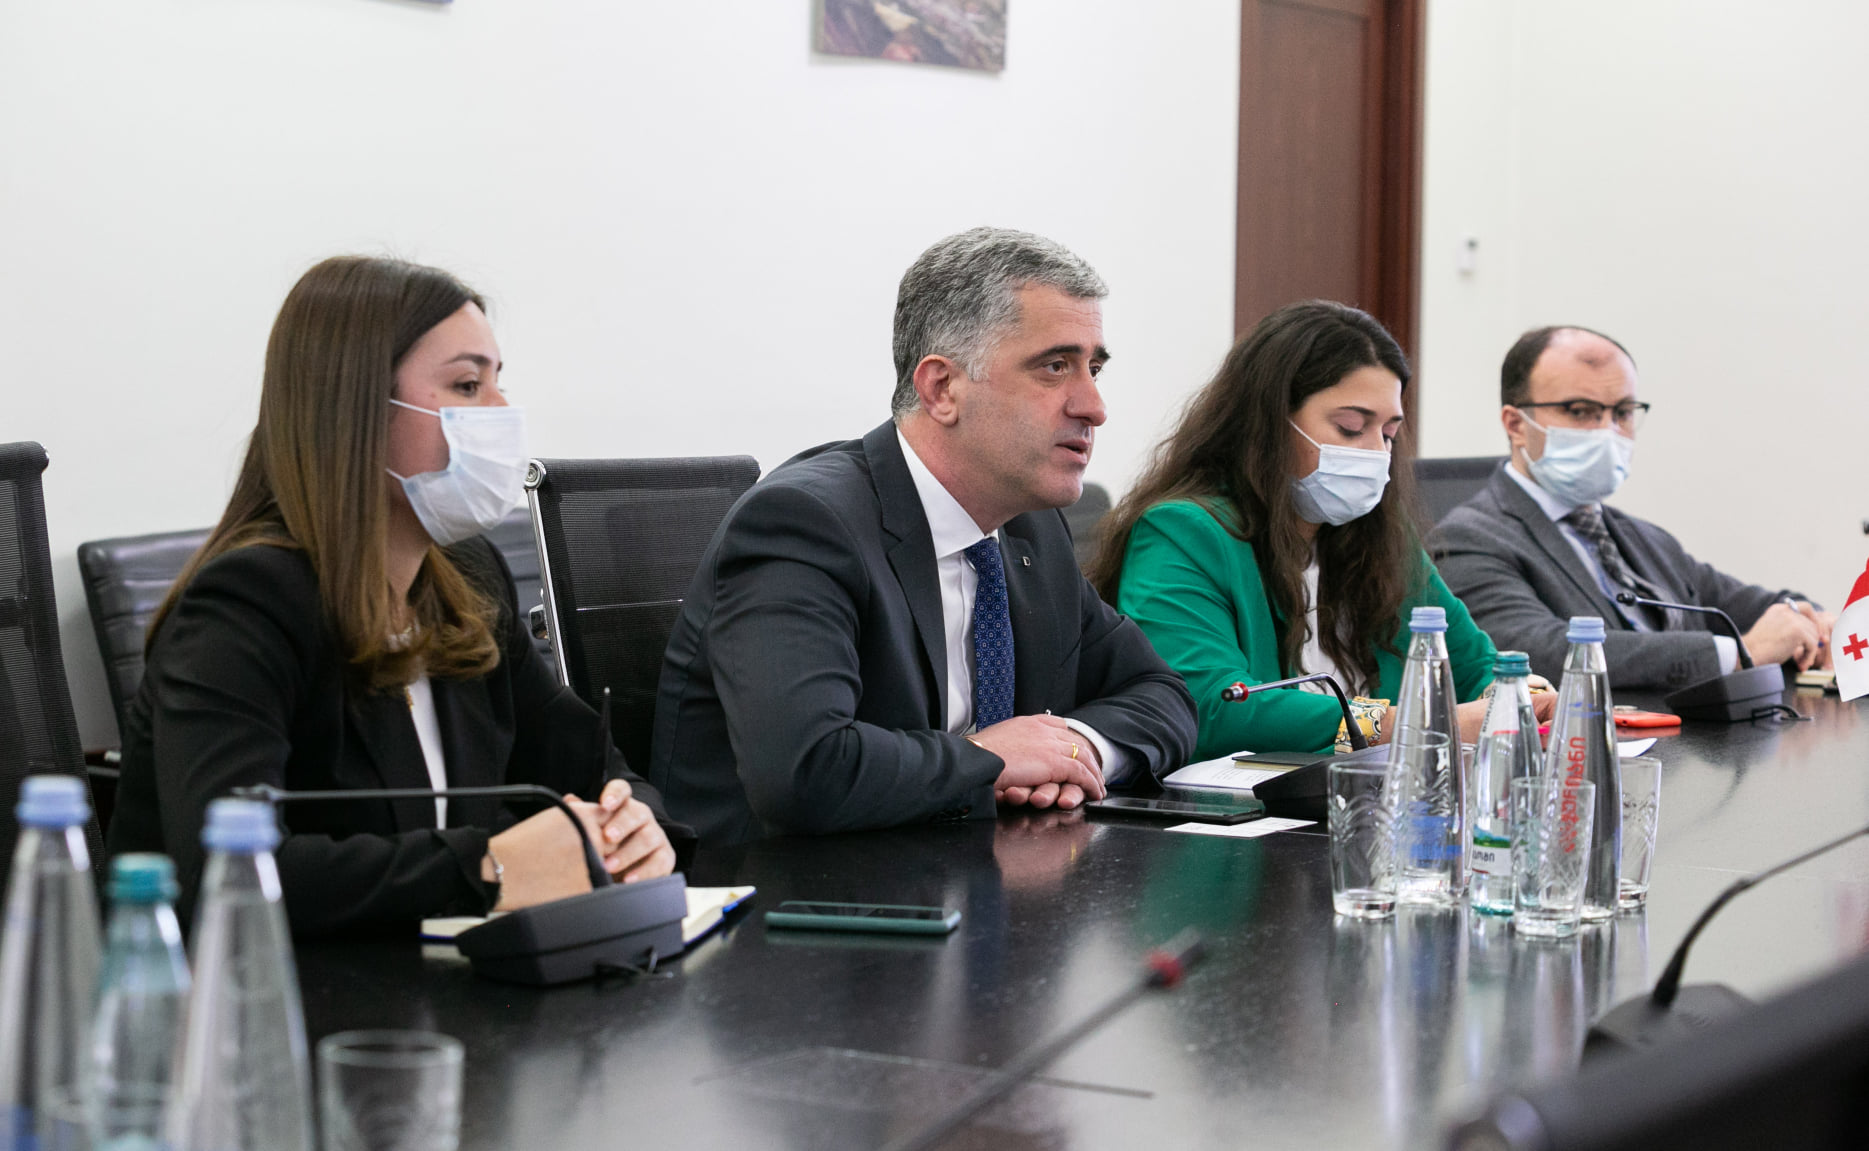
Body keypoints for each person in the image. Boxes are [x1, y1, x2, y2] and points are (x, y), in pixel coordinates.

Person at [108, 256, 685, 936]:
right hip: (265, 989)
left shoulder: (467, 577)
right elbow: (228, 872)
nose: (501, 413)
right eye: (467, 384)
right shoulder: (245, 604)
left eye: (498, 382)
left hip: (439, 977)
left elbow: (590, 764)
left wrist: (634, 823)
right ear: (355, 410)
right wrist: (486, 865)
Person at [648, 226, 1198, 846]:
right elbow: (804, 770)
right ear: (941, 388)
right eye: (1055, 367)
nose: (1094, 406)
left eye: (1093, 368)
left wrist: (1076, 747)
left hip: (967, 872)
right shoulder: (802, 523)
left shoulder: (1028, 527)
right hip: (788, 890)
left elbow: (1161, 692)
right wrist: (991, 760)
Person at [1090, 300, 1554, 761]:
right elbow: (1209, 707)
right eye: (1351, 428)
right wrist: (1413, 724)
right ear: (1269, 424)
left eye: (1388, 434)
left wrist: (1517, 696)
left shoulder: (1382, 539)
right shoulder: (1182, 533)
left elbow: (1473, 666)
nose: (1377, 453)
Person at [1429, 326, 1832, 689]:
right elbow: (1541, 653)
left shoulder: (1642, 537)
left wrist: (1814, 622)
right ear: (1516, 425)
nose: (1608, 431)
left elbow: (1744, 605)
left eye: (1622, 412)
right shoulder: (1466, 540)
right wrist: (1741, 653)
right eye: (1580, 411)